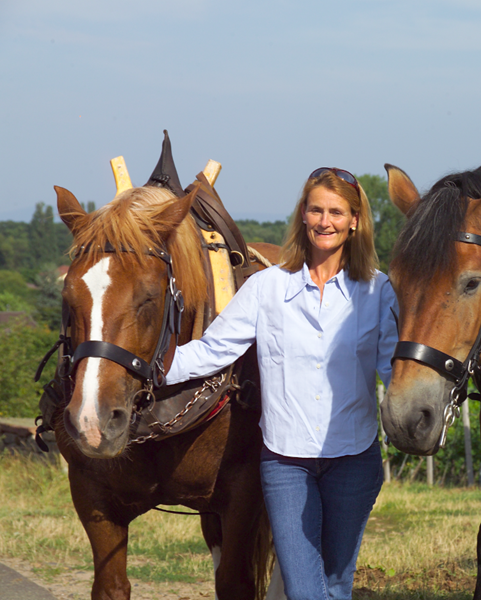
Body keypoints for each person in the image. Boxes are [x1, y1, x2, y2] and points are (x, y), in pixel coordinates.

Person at [166, 167, 398, 600]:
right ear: (302, 215)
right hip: (287, 465)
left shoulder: (378, 292)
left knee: (335, 586)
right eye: (315, 210)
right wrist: (148, 367)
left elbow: (393, 370)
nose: (324, 221)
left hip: (354, 461)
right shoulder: (265, 288)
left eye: (335, 212)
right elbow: (212, 350)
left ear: (355, 221)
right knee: (305, 590)